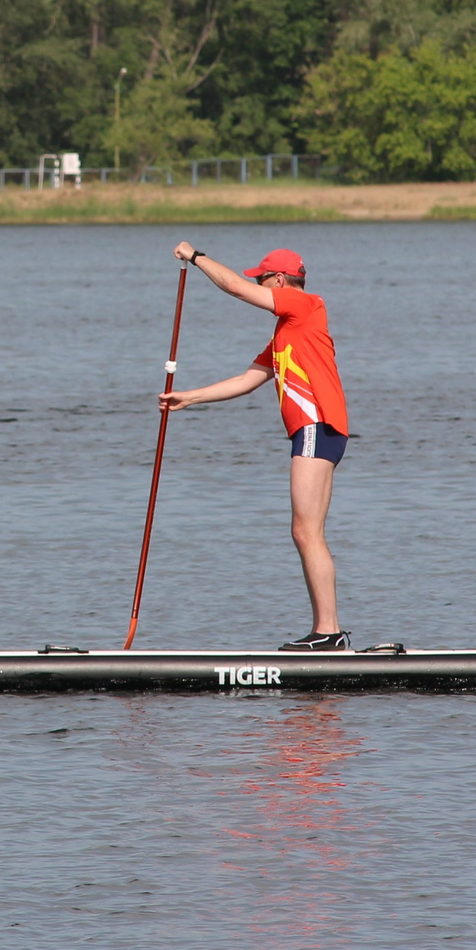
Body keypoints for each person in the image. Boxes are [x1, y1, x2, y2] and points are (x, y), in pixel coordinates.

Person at [158, 243, 355, 651]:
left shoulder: (306, 306)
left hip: (317, 426)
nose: (257, 285)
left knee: (306, 531)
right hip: (315, 430)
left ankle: (329, 633)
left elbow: (233, 287)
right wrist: (189, 398)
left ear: (279, 281)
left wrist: (196, 258)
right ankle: (328, 632)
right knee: (306, 531)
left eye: (262, 279)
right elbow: (247, 379)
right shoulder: (287, 334)